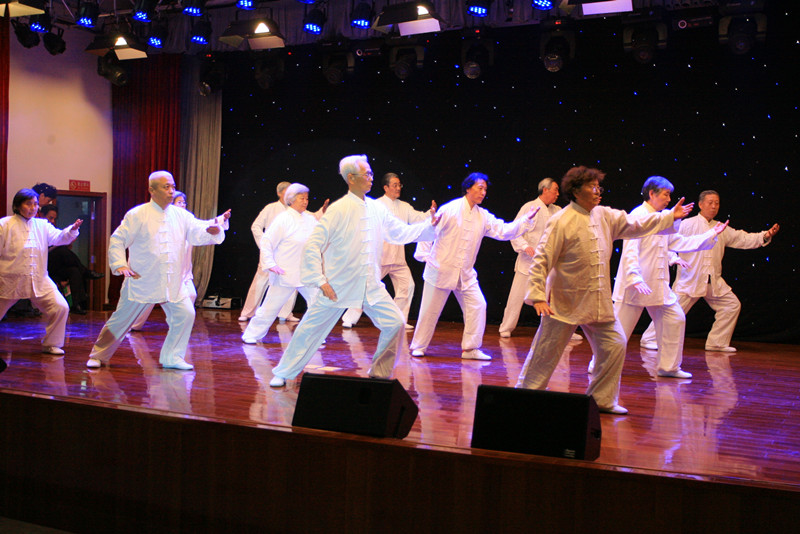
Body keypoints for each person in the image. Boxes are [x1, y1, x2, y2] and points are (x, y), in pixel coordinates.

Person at [516, 166, 694, 415]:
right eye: (592, 187)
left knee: (615, 344)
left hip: (597, 302)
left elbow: (635, 223)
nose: (598, 191)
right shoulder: (561, 221)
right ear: (576, 191)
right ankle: (525, 396)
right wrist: (537, 296)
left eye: (598, 187)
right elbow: (542, 260)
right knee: (545, 352)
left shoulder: (604, 215)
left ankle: (601, 399)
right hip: (564, 302)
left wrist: (668, 217)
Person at [268, 154, 438, 387]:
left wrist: (430, 227)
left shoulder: (377, 208)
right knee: (309, 330)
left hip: (370, 284)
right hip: (337, 285)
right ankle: (284, 371)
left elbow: (399, 233)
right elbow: (313, 245)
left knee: (395, 323)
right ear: (351, 178)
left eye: (371, 173)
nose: (371, 177)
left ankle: (379, 373)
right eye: (367, 174)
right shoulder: (338, 209)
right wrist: (319, 280)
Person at [86, 171, 230, 370]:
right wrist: (120, 264)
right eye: (166, 187)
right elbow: (118, 239)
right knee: (121, 321)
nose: (171, 191)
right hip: (141, 279)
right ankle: (98, 355)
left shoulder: (181, 215)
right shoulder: (137, 214)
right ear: (152, 190)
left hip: (172, 281)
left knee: (186, 314)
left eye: (173, 186)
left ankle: (172, 357)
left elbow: (197, 231)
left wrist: (212, 230)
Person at [599, 176, 727, 379]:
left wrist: (710, 234)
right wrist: (634, 278)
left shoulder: (662, 219)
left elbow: (679, 242)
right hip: (636, 286)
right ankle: (599, 366)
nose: (669, 199)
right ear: (652, 194)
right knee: (618, 331)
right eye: (666, 195)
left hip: (657, 286)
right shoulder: (638, 215)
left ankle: (669, 367)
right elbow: (630, 250)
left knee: (675, 319)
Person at [408, 173, 538, 361]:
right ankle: (418, 346)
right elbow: (431, 228)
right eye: (480, 188)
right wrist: (425, 255)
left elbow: (503, 230)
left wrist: (525, 220)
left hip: (465, 273)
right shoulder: (450, 209)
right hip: (441, 269)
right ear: (468, 188)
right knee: (429, 311)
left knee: (478, 305)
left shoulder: (482, 216)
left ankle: (470, 349)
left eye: (485, 189)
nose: (483, 192)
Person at [639, 190, 779, 352]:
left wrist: (765, 236)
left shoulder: (721, 227)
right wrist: (673, 258)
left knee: (731, 306)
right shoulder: (687, 224)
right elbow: (667, 241)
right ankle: (649, 338)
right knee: (672, 311)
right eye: (710, 202)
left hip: (713, 281)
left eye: (717, 203)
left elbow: (742, 238)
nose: (714, 206)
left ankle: (717, 342)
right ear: (700, 204)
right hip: (690, 279)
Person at [340, 172, 430, 330]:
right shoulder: (377, 205)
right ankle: (349, 318)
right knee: (366, 288)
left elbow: (418, 218)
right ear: (386, 187)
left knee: (407, 286)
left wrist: (431, 214)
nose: (398, 188)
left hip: (398, 259)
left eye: (399, 185)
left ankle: (398, 319)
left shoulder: (404, 206)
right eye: (394, 185)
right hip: (380, 258)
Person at [0, 188, 83, 355]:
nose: (33, 208)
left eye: (35, 204)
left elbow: (59, 237)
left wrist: (72, 230)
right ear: (17, 205)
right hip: (10, 279)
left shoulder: (42, 225)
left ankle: (51, 344)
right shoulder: (4, 224)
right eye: (28, 204)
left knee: (60, 307)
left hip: (39, 279)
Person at [129, 191, 227, 331]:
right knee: (148, 300)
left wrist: (221, 220)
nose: (182, 205)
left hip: (182, 273)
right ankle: (133, 325)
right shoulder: (163, 222)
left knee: (191, 294)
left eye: (184, 202)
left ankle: (179, 325)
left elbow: (202, 225)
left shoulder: (187, 220)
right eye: (179, 202)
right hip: (161, 272)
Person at [242, 183, 321, 344]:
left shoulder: (310, 219)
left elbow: (320, 239)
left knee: (318, 303)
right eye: (302, 198)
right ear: (291, 200)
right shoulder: (283, 219)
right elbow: (267, 242)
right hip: (285, 272)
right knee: (270, 307)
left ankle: (313, 335)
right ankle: (251, 334)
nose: (305, 202)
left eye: (307, 199)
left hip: (306, 272)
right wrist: (270, 264)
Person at [498, 177, 565, 338]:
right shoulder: (529, 207)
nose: (557, 194)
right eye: (555, 190)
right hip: (527, 262)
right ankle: (506, 327)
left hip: (548, 263)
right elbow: (515, 230)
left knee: (553, 298)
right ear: (545, 190)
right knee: (516, 297)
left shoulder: (558, 211)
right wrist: (524, 246)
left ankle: (556, 329)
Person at [239, 181, 296, 323]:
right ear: (280, 193)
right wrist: (264, 245)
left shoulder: (295, 210)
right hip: (270, 251)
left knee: (290, 281)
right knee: (260, 281)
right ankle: (248, 312)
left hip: (288, 252)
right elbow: (256, 226)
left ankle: (285, 313)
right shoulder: (270, 208)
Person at [40, 204, 104, 315]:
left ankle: (76, 304)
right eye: (50, 218)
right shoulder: (36, 227)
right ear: (42, 215)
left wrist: (69, 237)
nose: (52, 221)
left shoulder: (51, 229)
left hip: (56, 266)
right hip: (43, 265)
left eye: (54, 219)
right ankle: (85, 271)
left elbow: (60, 238)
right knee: (61, 250)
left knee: (74, 270)